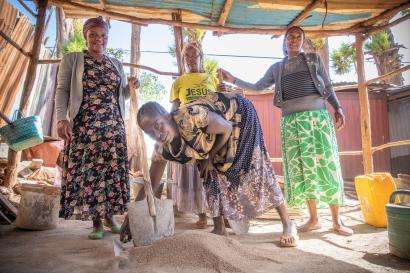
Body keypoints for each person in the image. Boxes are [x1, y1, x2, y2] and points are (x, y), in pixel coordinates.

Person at [218, 26, 353, 236]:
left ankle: (336, 220)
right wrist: (233, 79)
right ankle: (314, 219)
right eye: (291, 36)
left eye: (299, 37)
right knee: (302, 169)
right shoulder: (277, 68)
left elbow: (327, 86)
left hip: (317, 120)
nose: (294, 40)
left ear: (303, 41)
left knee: (327, 166)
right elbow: (258, 86)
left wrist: (338, 107)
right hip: (291, 123)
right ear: (284, 41)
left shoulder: (314, 60)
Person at [121, 92, 298, 247]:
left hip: (239, 115)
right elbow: (150, 184)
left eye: (157, 125)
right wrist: (132, 217)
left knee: (256, 167)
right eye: (150, 132)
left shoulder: (191, 116)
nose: (157, 134)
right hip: (217, 134)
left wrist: (210, 159)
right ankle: (220, 229)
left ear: (167, 116)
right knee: (208, 174)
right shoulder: (161, 149)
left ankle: (288, 223)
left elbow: (227, 128)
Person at [55, 16, 139, 240]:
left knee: (111, 172)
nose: (98, 39)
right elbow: (62, 90)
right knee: (90, 172)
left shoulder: (116, 63)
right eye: (93, 35)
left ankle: (111, 218)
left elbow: (120, 95)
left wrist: (130, 88)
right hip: (86, 126)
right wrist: (61, 118)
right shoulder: (73, 59)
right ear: (86, 36)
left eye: (102, 36)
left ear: (107, 39)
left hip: (113, 127)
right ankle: (96, 222)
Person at [169, 41, 219, 229]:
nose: (191, 59)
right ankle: (202, 214)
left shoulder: (210, 78)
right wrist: (170, 127)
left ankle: (217, 214)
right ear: (183, 60)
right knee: (193, 172)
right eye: (187, 56)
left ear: (201, 57)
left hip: (209, 131)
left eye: (194, 55)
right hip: (187, 131)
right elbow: (174, 108)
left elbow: (217, 102)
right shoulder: (179, 82)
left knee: (210, 170)